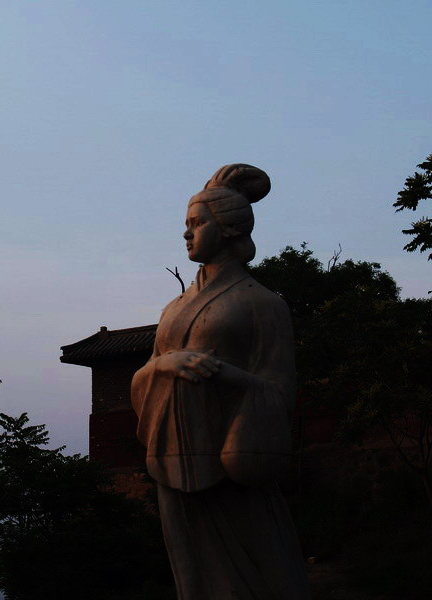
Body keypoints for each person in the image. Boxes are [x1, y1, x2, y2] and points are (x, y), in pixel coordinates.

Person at [131, 164, 311, 599]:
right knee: (193, 574)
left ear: (228, 227)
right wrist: (162, 366)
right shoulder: (174, 307)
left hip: (228, 456)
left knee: (258, 565)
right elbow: (143, 373)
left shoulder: (262, 303)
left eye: (196, 223)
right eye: (186, 225)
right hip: (174, 451)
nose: (187, 234)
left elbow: (280, 392)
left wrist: (229, 377)